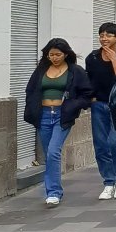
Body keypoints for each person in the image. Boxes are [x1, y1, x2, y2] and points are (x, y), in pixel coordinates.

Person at [23, 38, 92, 207]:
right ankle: (53, 190)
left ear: (66, 54)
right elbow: (30, 90)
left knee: (54, 151)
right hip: (44, 115)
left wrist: (73, 105)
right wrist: (32, 110)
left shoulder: (75, 71)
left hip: (62, 115)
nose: (54, 58)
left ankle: (53, 192)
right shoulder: (41, 70)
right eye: (50, 54)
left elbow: (87, 94)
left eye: (58, 54)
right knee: (49, 155)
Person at [84, 22, 116, 201]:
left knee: (114, 142)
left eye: (109, 35)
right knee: (101, 145)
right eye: (102, 35)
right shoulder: (92, 58)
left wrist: (113, 59)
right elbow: (88, 80)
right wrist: (91, 98)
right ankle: (108, 182)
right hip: (98, 105)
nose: (104, 38)